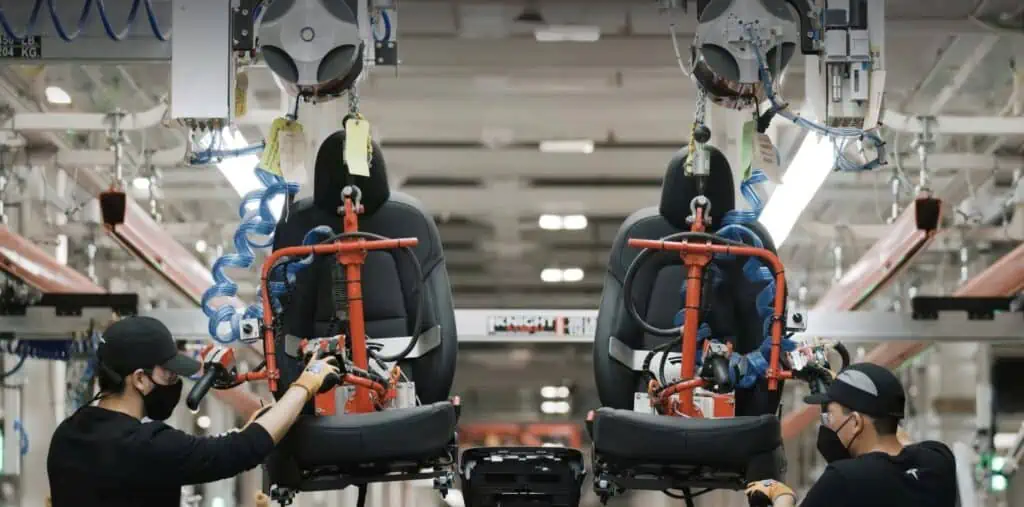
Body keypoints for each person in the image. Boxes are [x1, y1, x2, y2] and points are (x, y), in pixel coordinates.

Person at [47, 316, 340, 507]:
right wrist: (306, 383)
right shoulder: (144, 445)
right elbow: (239, 452)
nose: (175, 382)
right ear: (139, 378)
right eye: (168, 375)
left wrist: (246, 431)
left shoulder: (68, 434)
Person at [744, 362, 957, 507]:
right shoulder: (939, 460)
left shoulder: (844, 479)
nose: (826, 424)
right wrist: (846, 387)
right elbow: (896, 433)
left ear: (855, 422)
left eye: (830, 416)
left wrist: (782, 496)